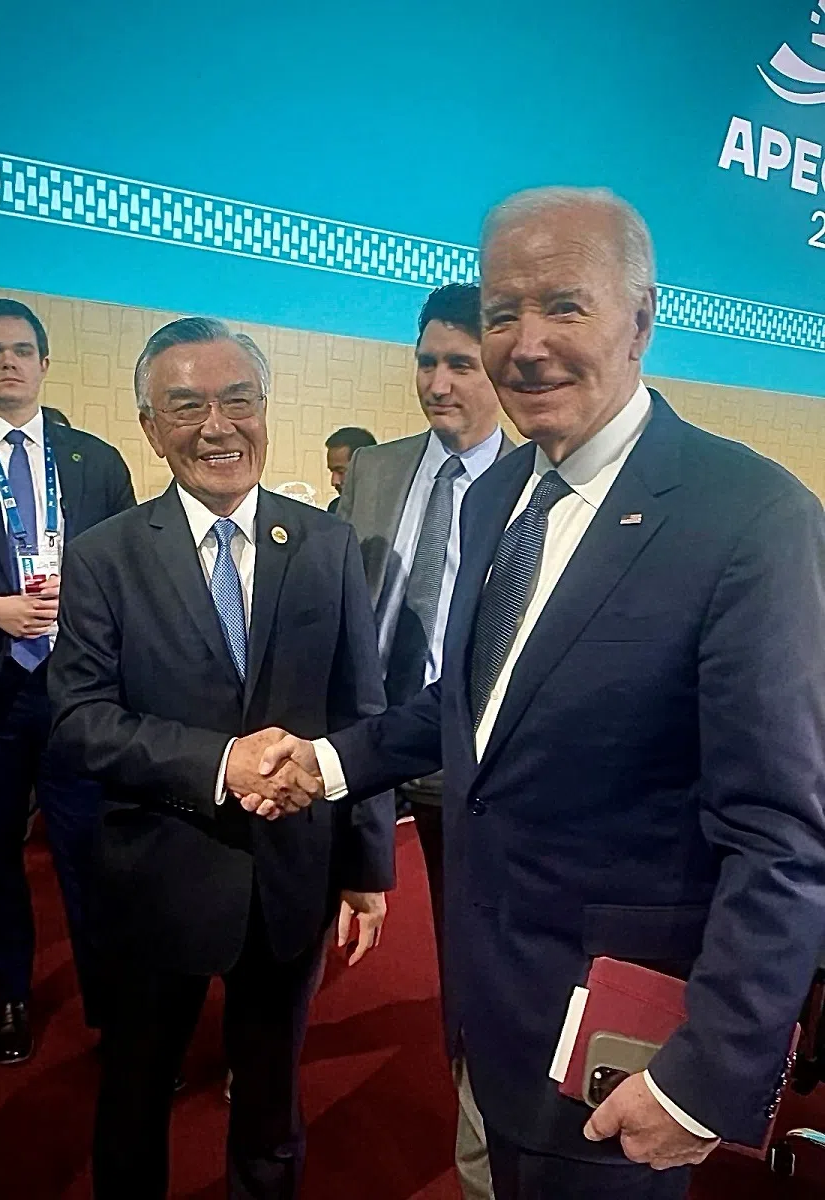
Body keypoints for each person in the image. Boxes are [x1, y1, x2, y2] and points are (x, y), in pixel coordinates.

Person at [239, 187, 825, 1200]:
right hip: (481, 991)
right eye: (503, 313)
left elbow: (782, 836)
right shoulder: (503, 495)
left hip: (625, 1042)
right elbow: (474, 707)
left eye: (566, 305)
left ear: (642, 319)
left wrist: (705, 1078)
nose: (528, 343)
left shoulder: (751, 517)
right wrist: (330, 762)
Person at [46, 317, 395, 1200]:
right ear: (150, 426)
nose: (217, 426)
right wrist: (219, 764)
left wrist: (366, 867)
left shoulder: (324, 545)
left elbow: (362, 711)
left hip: (289, 877)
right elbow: (81, 721)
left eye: (238, 401)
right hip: (154, 877)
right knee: (133, 1094)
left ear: (265, 411)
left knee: (272, 1103)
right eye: (187, 407)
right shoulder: (104, 556)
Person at [0, 298, 135, 1064]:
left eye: (21, 349)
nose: (8, 362)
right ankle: (11, 992)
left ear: (46, 363)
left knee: (91, 854)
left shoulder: (95, 460)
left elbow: (129, 576)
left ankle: (112, 1003)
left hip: (75, 691)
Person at [337, 281, 512, 1199]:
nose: (438, 383)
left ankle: (472, 1104)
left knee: (465, 947)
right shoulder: (376, 468)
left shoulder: (533, 488)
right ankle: (261, 1055)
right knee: (301, 911)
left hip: (466, 765)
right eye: (426, 362)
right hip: (365, 742)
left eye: (460, 364)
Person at [324, 426, 376, 512]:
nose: (334, 481)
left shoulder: (394, 509)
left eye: (340, 471)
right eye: (332, 472)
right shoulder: (336, 508)